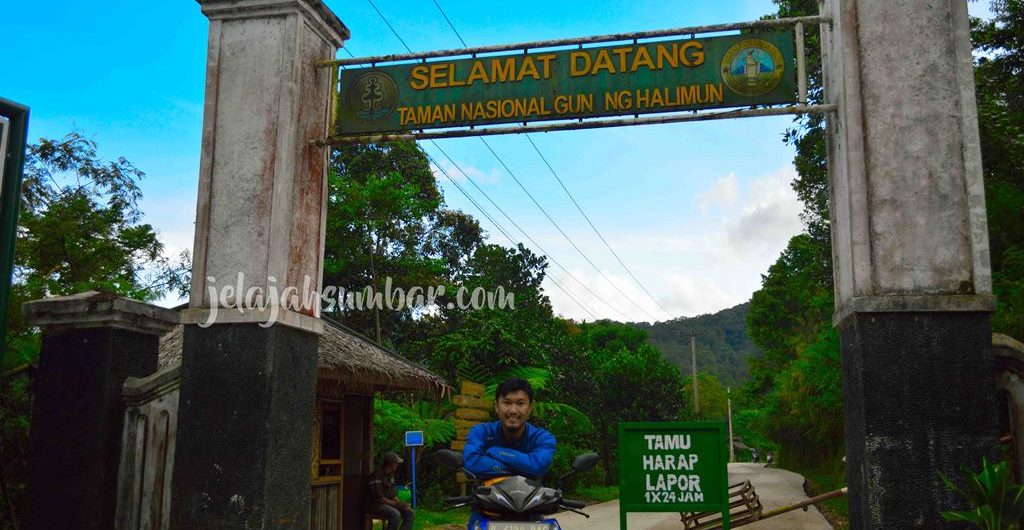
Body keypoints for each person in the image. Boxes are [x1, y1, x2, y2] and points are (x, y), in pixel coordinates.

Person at [463, 377, 556, 480]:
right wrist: (522, 469)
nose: (513, 410)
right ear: (497, 407)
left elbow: (537, 468)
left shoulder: (543, 438)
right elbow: (470, 465)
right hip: (488, 495)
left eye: (520, 403)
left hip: (530, 495)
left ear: (530, 408)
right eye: (507, 403)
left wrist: (494, 451)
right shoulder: (481, 432)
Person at [366, 451, 414, 530]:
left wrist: (400, 503)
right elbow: (379, 498)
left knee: (409, 513)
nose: (397, 465)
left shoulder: (390, 475)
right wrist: (395, 504)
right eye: (396, 463)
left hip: (387, 503)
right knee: (395, 514)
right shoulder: (376, 475)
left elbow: (392, 494)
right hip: (373, 504)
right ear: (391, 464)